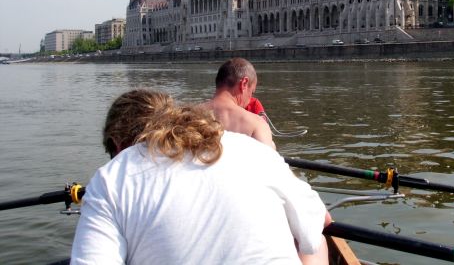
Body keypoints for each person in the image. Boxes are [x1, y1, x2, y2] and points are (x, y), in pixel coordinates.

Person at [71, 89, 331, 264]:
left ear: (117, 146)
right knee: (314, 237)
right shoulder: (252, 149)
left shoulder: (110, 179)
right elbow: (323, 220)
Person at [203, 57, 275, 149]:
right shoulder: (257, 125)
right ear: (244, 83)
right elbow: (266, 161)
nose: (250, 99)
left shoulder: (186, 116)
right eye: (252, 92)